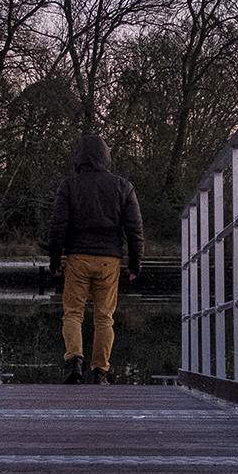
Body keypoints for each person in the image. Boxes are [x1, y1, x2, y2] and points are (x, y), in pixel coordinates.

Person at [45, 134, 143, 384]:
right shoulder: (123, 186)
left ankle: (74, 364)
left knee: (73, 314)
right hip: (109, 260)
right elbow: (134, 227)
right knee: (104, 318)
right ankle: (100, 371)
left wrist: (55, 259)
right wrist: (135, 261)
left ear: (78, 157)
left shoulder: (69, 185)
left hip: (77, 257)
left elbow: (58, 225)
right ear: (106, 157)